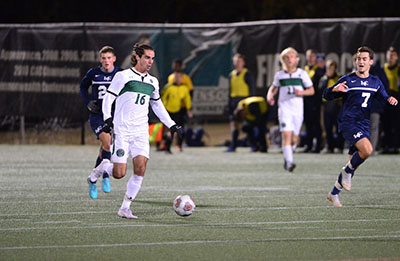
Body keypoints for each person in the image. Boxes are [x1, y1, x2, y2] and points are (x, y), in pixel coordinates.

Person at [87, 43, 183, 219]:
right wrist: (108, 119)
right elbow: (109, 98)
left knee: (141, 168)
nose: (150, 61)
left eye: (152, 58)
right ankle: (100, 169)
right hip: (122, 130)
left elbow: (157, 105)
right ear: (137, 57)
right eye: (147, 57)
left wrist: (172, 124)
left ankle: (125, 208)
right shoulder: (123, 76)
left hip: (140, 131)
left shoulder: (153, 81)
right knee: (119, 174)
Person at [324, 46, 398, 207]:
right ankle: (346, 172)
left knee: (354, 163)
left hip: (364, 123)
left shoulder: (375, 81)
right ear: (355, 61)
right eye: (358, 59)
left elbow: (384, 95)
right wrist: (334, 89)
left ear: (371, 62)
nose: (361, 61)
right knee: (367, 150)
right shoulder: (348, 79)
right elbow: (326, 95)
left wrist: (389, 99)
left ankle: (334, 193)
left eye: (364, 59)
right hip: (348, 122)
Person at [80, 46, 122, 199]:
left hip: (113, 115)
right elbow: (83, 87)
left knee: (105, 147)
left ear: (114, 59)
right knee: (108, 142)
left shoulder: (120, 73)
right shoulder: (93, 73)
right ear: (100, 59)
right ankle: (105, 174)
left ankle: (93, 178)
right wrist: (87, 102)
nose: (106, 61)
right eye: (103, 58)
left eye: (109, 58)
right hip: (98, 115)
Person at [267, 47, 315, 171]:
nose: (289, 59)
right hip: (284, 109)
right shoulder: (279, 75)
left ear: (296, 59)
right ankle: (289, 162)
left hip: (297, 110)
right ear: (283, 60)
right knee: (286, 136)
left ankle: (288, 156)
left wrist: (302, 92)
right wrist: (270, 96)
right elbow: (273, 88)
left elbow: (311, 90)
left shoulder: (302, 74)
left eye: (292, 57)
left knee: (294, 139)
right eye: (286, 57)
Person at [225, 53, 256, 152]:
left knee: (248, 125)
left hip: (244, 101)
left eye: (239, 61)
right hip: (234, 101)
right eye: (235, 61)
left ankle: (254, 145)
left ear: (243, 63)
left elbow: (252, 89)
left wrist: (250, 103)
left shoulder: (247, 74)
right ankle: (233, 146)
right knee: (234, 124)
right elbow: (230, 91)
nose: (237, 63)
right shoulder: (231, 75)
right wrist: (229, 104)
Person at [162, 71, 193, 152]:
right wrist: (162, 110)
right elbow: (163, 98)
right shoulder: (168, 87)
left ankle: (178, 145)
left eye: (179, 77)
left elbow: (187, 100)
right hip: (168, 112)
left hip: (178, 112)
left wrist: (189, 110)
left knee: (179, 129)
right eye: (176, 77)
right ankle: (166, 145)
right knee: (168, 131)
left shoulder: (184, 88)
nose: (178, 79)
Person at [303, 49, 325, 153]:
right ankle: (309, 144)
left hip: (315, 101)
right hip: (305, 101)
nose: (310, 59)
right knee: (307, 123)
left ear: (316, 58)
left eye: (312, 56)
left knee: (316, 124)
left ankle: (317, 146)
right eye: (309, 56)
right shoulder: (304, 70)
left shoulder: (319, 70)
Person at [319, 60, 344, 153]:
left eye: (332, 68)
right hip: (327, 106)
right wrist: (327, 79)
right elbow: (321, 91)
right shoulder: (323, 79)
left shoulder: (339, 78)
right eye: (329, 67)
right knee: (328, 127)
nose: (330, 69)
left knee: (338, 128)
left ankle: (339, 147)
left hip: (337, 105)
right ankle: (330, 147)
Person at [382, 46, 400, 154]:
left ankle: (395, 146)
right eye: (389, 54)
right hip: (385, 99)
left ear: (397, 57)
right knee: (385, 124)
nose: (391, 57)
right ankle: (386, 146)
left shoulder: (398, 69)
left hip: (396, 99)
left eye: (393, 55)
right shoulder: (382, 68)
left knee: (396, 124)